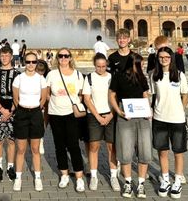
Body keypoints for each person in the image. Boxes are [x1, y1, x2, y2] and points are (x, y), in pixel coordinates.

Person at [109, 53, 152, 198]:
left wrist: (148, 109)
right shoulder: (119, 76)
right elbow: (112, 95)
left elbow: (145, 94)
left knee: (145, 149)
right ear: (131, 64)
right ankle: (128, 182)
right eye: (138, 63)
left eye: (141, 64)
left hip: (142, 114)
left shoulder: (141, 77)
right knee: (126, 150)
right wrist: (119, 112)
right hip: (126, 115)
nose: (141, 66)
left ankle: (140, 184)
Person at [150, 47, 188, 199]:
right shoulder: (154, 75)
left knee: (178, 151)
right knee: (162, 150)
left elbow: (185, 94)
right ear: (158, 58)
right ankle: (165, 178)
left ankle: (178, 180)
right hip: (159, 117)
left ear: (171, 58)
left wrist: (182, 109)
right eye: (161, 57)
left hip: (177, 118)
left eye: (167, 57)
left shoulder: (179, 75)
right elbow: (152, 95)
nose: (164, 59)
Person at [46, 48, 86, 192]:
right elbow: (47, 94)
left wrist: (75, 103)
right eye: (60, 56)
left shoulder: (77, 75)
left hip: (71, 114)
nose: (63, 58)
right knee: (59, 145)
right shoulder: (52, 74)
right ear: (57, 58)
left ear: (70, 58)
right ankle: (64, 174)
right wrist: (54, 102)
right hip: (55, 113)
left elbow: (82, 94)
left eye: (66, 56)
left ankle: (79, 177)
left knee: (74, 145)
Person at [82, 53, 119, 192]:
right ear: (94, 65)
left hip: (110, 115)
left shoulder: (112, 77)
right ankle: (94, 176)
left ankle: (113, 176)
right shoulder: (90, 78)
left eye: (104, 66)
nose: (101, 69)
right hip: (94, 115)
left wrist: (111, 115)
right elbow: (87, 99)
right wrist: (97, 116)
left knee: (112, 147)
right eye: (98, 66)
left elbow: (117, 97)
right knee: (94, 146)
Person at [11, 52, 47, 191]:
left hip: (36, 113)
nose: (31, 65)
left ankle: (38, 178)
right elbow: (16, 98)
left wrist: (36, 108)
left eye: (33, 62)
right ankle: (18, 178)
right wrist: (23, 108)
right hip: (22, 113)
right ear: (24, 62)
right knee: (20, 149)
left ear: (37, 63)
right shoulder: (19, 78)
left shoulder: (41, 79)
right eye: (28, 62)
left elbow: (43, 98)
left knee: (35, 149)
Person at [0, 46, 19, 182]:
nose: (5, 58)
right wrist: (2, 110)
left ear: (11, 57)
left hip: (13, 107)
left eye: (7, 55)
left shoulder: (18, 75)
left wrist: (11, 110)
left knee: (12, 140)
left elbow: (20, 95)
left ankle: (10, 167)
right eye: (2, 55)